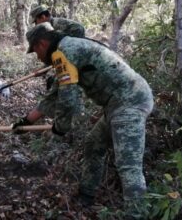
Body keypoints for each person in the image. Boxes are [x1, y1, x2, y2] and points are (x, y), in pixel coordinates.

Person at [13, 22, 154, 219]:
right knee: (93, 144)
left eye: (35, 50)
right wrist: (24, 122)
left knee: (128, 164)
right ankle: (86, 195)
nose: (37, 56)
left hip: (129, 101)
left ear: (42, 43)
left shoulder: (63, 52)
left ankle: (136, 214)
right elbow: (54, 95)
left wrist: (60, 128)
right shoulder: (68, 47)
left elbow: (68, 99)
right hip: (117, 103)